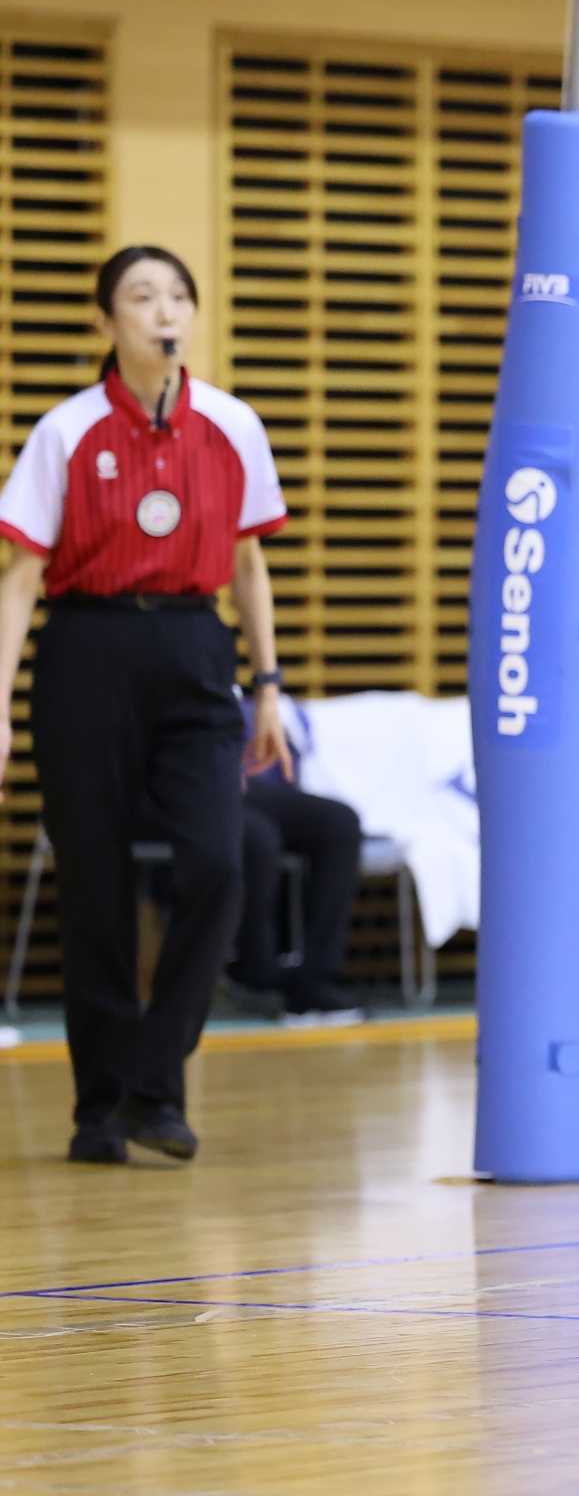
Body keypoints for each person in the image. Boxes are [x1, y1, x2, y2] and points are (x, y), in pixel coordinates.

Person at [0, 245, 290, 1165]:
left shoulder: (234, 425)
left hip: (197, 649)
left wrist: (269, 685)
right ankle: (101, 1110)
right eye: (141, 295)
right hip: (87, 651)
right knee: (96, 888)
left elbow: (249, 563)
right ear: (105, 321)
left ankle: (154, 1081)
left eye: (177, 296)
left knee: (222, 863)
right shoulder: (66, 430)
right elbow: (20, 578)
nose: (164, 311)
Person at [231, 716, 366, 1026]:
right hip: (163, 781)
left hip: (226, 778)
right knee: (260, 839)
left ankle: (316, 980)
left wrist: (266, 694)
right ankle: (257, 975)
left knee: (339, 824)